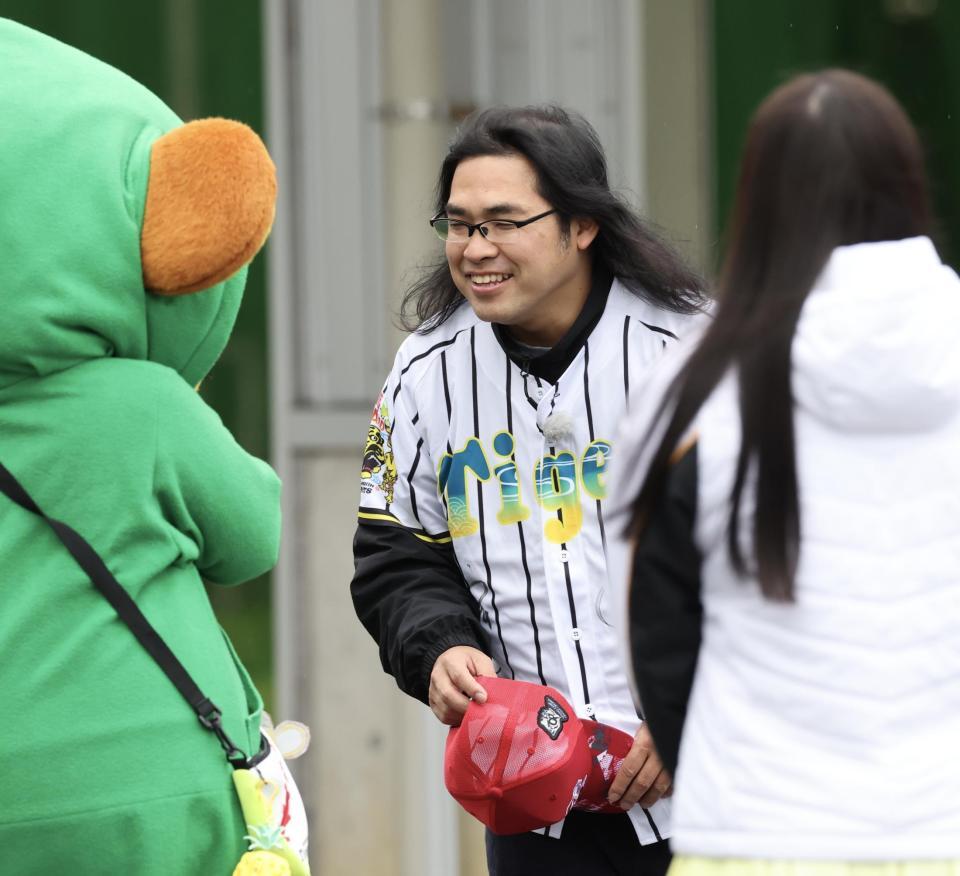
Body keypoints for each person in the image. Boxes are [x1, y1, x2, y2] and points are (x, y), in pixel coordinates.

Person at [611, 70, 960, 875]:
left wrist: (709, 758)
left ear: (758, 201)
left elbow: (646, 623)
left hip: (754, 827)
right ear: (908, 186)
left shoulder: (696, 383)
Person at [351, 104, 707, 875]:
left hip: (712, 790)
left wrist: (693, 706)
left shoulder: (692, 353)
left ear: (583, 225)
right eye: (459, 224)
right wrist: (438, 646)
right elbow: (395, 556)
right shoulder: (422, 374)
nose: (476, 249)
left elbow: (770, 559)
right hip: (535, 805)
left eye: (504, 223)